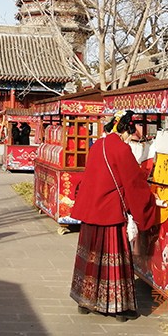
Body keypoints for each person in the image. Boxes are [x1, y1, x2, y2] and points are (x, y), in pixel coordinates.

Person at [69, 125, 158, 320]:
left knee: (90, 257)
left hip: (91, 210)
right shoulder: (121, 148)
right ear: (125, 131)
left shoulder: (97, 145)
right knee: (114, 259)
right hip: (110, 211)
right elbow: (133, 181)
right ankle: (117, 306)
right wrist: (149, 202)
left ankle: (85, 300)